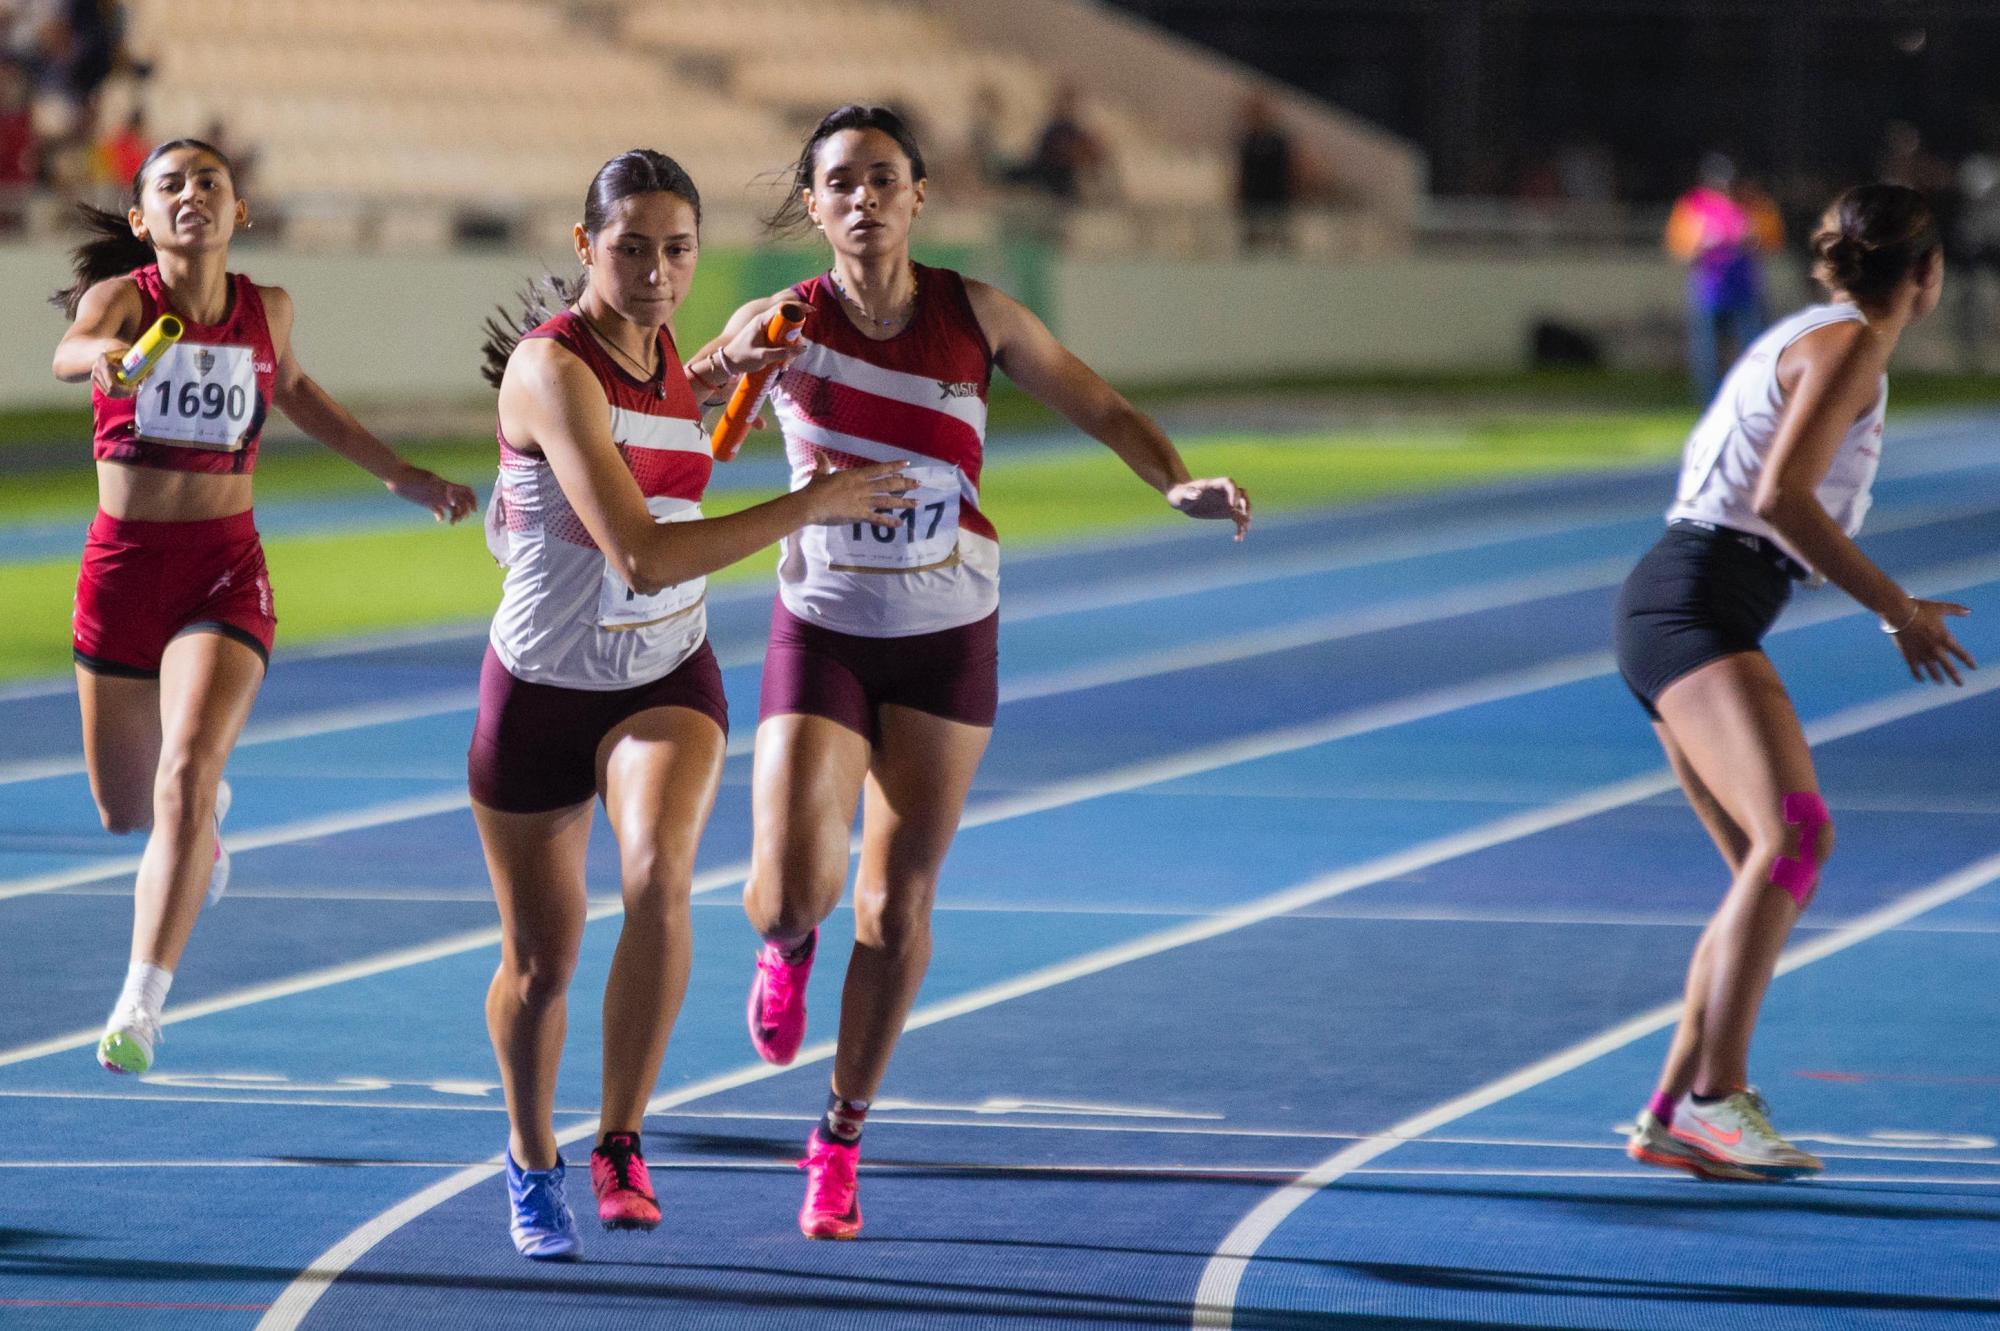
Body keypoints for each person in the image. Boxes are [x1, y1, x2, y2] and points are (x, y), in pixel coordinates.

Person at [704, 104, 1250, 1240]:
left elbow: (1097, 400)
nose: (861, 199)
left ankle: (838, 1136)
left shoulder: (976, 313)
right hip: (825, 625)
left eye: (882, 179)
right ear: (812, 205)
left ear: (916, 197)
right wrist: (720, 370)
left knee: (897, 904)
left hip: (949, 632)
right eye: (839, 182)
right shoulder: (778, 319)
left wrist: (1173, 482)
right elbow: (677, 407)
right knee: (794, 885)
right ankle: (785, 943)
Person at [471, 148, 913, 1261]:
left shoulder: (670, 351)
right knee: (539, 964)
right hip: (537, 687)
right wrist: (812, 502)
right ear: (585, 248)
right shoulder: (550, 370)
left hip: (664, 678)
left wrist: (737, 357)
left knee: (660, 872)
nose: (659, 273)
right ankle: (530, 1157)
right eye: (631, 250)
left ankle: (620, 1135)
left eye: (678, 250)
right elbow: (642, 552)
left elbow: (687, 381)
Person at [50, 138, 477, 1077]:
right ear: (142, 220)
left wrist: (405, 476)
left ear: (238, 210)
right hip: (121, 574)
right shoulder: (123, 302)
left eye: (210, 181)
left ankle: (140, 1004)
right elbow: (67, 351)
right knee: (128, 811)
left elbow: (301, 395)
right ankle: (204, 821)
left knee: (183, 777)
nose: (192, 194)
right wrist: (110, 360)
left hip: (221, 572)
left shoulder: (268, 310)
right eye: (171, 185)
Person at [1616, 184, 1969, 1181]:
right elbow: (1780, 495)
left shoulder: (1821, 329)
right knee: (1796, 834)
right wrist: (1897, 608)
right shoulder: (1851, 342)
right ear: (1927, 275)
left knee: (1756, 877)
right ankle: (1711, 1099)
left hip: (1680, 598)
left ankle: (1668, 1108)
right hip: (1692, 606)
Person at [1665, 154, 1784, 402]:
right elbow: (1679, 248)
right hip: (1710, 289)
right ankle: (1710, 400)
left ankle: (1753, 397)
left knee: (1753, 348)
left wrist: (1752, 240)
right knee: (1708, 352)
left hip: (1746, 288)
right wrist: (1703, 244)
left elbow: (1773, 240)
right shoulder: (1695, 204)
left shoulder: (1753, 203)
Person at [1234, 92, 1295, 254]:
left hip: (1275, 198)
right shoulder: (1247, 141)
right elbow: (1243, 172)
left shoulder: (1279, 141)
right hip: (1252, 199)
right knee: (1251, 240)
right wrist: (1239, 194)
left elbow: (1287, 172)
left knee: (1278, 238)